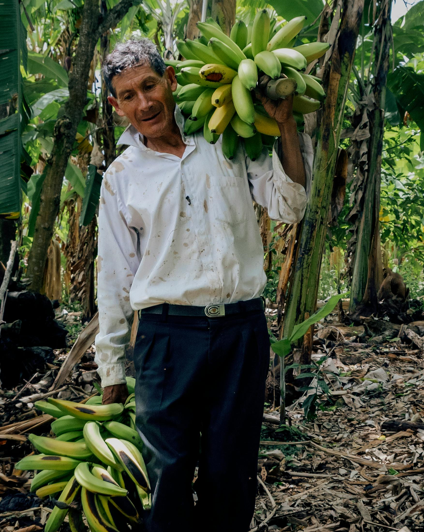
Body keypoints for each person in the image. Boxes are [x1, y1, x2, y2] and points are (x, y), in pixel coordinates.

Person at [94, 38, 312, 531]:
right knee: (165, 476)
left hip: (240, 331)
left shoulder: (226, 142)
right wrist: (111, 369)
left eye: (149, 86)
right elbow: (115, 275)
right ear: (116, 107)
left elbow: (289, 205)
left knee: (229, 474)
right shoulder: (121, 177)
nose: (144, 103)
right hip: (167, 338)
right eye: (128, 96)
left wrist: (286, 124)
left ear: (170, 80)